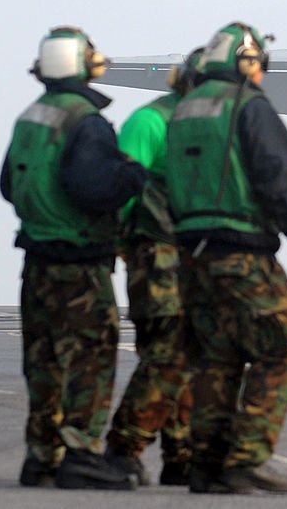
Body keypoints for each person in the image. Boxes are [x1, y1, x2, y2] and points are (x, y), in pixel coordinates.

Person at [166, 22, 287, 494]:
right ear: (244, 62)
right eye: (257, 62)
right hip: (242, 251)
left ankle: (207, 466)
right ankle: (246, 457)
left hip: (192, 256)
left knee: (216, 358)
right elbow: (280, 177)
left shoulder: (184, 111)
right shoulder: (248, 107)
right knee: (279, 341)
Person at [0, 26, 147, 490]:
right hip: (79, 262)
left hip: (36, 260)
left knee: (43, 359)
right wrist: (132, 176)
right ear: (83, 64)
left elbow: (8, 184)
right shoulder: (85, 121)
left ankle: (42, 456)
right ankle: (81, 452)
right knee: (89, 358)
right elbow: (92, 188)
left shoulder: (31, 117)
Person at [104, 49, 203, 486]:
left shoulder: (209, 126)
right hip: (156, 254)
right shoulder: (150, 123)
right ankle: (123, 449)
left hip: (195, 256)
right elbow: (121, 190)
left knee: (192, 355)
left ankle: (181, 455)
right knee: (166, 353)